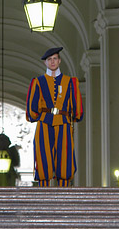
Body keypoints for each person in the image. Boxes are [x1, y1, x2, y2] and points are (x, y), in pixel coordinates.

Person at [26, 47, 84, 187]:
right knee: (43, 154)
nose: (52, 62)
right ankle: (44, 192)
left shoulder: (70, 82)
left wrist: (74, 116)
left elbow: (76, 108)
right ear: (45, 63)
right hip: (44, 122)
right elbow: (32, 108)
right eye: (49, 59)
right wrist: (38, 115)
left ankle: (64, 191)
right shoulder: (38, 82)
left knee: (65, 155)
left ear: (59, 61)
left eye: (55, 59)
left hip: (63, 122)